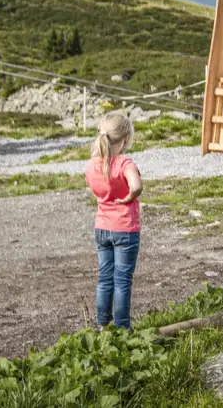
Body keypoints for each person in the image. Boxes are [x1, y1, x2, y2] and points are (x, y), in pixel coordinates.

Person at [85, 111, 141, 331]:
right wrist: (129, 196)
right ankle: (122, 327)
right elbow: (136, 185)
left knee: (105, 278)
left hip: (102, 227)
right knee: (122, 280)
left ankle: (102, 324)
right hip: (125, 229)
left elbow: (93, 187)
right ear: (125, 140)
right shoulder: (124, 163)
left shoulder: (92, 164)